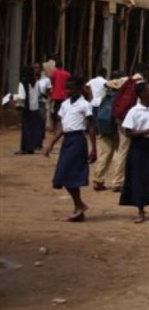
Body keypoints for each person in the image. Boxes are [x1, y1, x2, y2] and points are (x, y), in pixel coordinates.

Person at [44, 76, 97, 222]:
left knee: (68, 173)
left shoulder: (85, 105)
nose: (67, 91)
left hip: (78, 140)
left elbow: (91, 126)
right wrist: (51, 143)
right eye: (66, 88)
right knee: (64, 174)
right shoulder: (65, 104)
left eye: (70, 88)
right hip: (67, 140)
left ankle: (79, 205)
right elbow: (61, 126)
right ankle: (78, 208)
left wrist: (94, 148)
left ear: (79, 89)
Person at [119, 83, 149, 224]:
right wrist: (146, 131)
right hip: (138, 147)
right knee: (138, 178)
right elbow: (128, 132)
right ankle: (141, 211)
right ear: (142, 95)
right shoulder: (134, 111)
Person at [108, 67, 147, 192]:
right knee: (125, 150)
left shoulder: (127, 80)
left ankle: (123, 179)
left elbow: (107, 83)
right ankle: (118, 181)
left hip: (120, 118)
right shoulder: (140, 83)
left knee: (123, 149)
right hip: (131, 120)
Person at [14, 65, 44, 154]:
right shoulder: (36, 82)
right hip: (35, 107)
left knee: (26, 128)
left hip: (27, 108)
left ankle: (24, 148)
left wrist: (13, 97)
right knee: (32, 128)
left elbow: (22, 96)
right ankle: (31, 147)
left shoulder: (22, 83)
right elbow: (39, 94)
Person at [50, 61, 71, 129]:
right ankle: (64, 124)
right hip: (64, 95)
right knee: (65, 109)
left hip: (56, 94)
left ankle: (55, 125)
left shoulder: (54, 73)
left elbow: (52, 81)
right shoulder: (67, 74)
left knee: (56, 110)